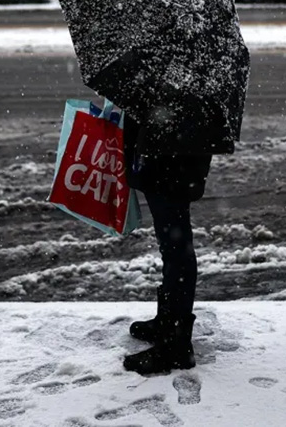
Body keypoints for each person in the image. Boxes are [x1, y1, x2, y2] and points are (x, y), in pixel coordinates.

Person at [120, 99, 218, 376]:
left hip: (171, 158)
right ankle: (168, 324)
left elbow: (184, 113)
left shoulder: (183, 69)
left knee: (177, 248)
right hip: (169, 155)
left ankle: (176, 345)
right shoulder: (180, 67)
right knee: (172, 246)